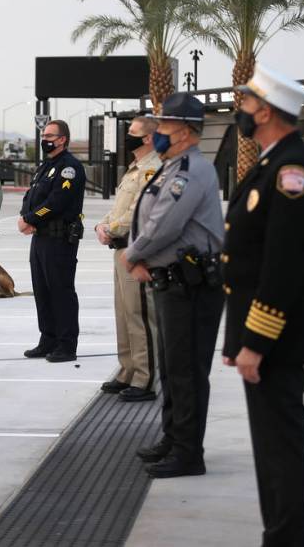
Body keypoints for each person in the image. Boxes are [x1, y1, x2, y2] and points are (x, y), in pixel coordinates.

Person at [223, 64, 304, 546]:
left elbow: (282, 269)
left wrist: (256, 343)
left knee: (281, 447)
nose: (238, 110)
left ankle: (285, 540)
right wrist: (236, 339)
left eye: (244, 103)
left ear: (264, 110)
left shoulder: (292, 170)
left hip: (275, 342)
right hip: (260, 336)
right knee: (269, 448)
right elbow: (245, 262)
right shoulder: (270, 162)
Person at [123, 93, 225, 479]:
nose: (158, 132)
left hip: (191, 285)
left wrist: (133, 254)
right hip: (174, 282)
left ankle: (188, 453)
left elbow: (166, 222)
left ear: (183, 131)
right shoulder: (174, 166)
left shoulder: (190, 171)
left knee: (187, 372)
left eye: (163, 126)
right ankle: (174, 437)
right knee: (171, 368)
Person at [94, 116, 162, 402]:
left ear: (147, 138)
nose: (126, 138)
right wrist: (102, 224)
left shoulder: (152, 169)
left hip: (137, 250)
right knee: (123, 314)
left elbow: (138, 211)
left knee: (139, 315)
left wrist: (111, 229)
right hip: (120, 248)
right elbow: (119, 207)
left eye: (132, 133)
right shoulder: (133, 169)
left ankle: (145, 378)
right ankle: (128, 369)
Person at [18, 120, 86, 362]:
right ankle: (48, 339)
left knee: (60, 291)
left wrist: (31, 219)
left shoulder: (70, 167)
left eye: (49, 135)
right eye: (43, 134)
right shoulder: (46, 166)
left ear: (62, 139)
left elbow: (57, 202)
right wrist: (25, 216)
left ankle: (66, 345)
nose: (44, 138)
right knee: (42, 291)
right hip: (41, 238)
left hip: (59, 238)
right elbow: (32, 195)